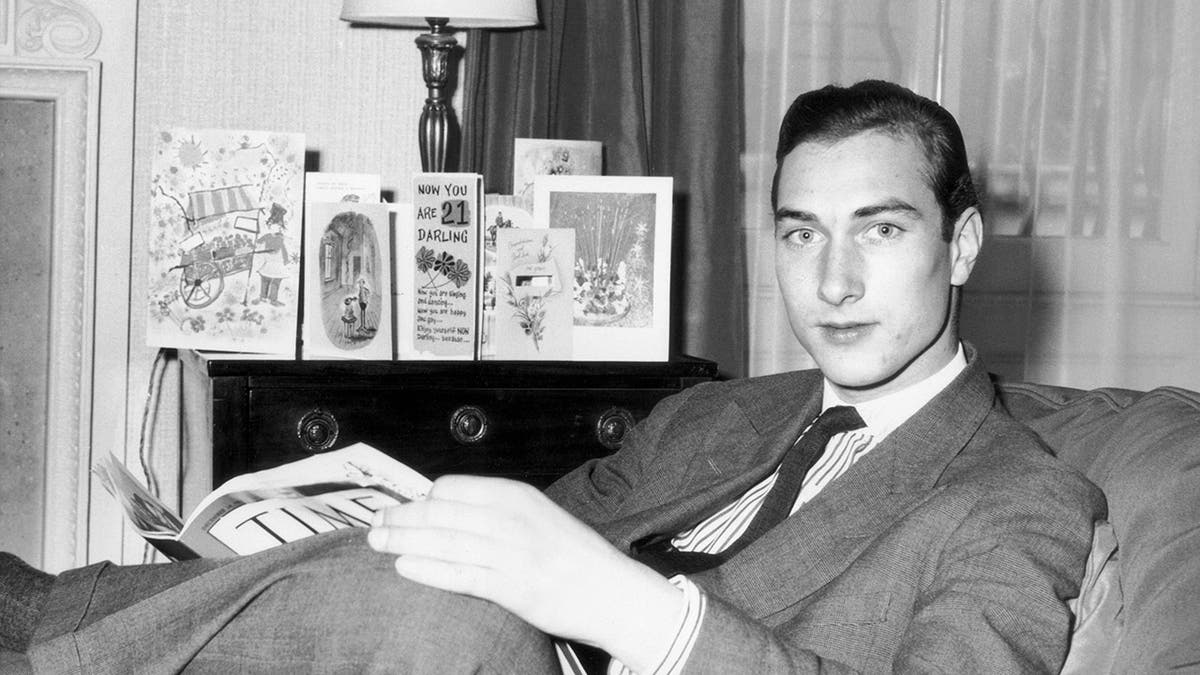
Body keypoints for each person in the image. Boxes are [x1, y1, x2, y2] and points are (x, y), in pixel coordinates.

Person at [1, 80, 1103, 673]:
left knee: (441, 621)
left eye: (881, 230)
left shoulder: (1020, 496)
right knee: (412, 570)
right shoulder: (719, 414)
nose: (837, 278)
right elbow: (540, 528)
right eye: (802, 235)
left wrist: (633, 612)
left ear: (959, 247)